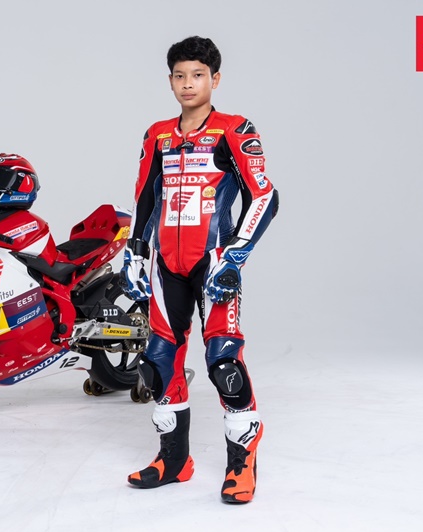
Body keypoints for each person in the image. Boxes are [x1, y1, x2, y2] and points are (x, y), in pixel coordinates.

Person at [122, 36, 279, 504]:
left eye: (197, 75)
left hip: (213, 264)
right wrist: (134, 253)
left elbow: (265, 196)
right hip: (164, 265)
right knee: (158, 361)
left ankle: (242, 462)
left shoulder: (234, 129)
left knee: (223, 362)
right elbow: (145, 197)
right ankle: (174, 461)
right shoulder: (157, 134)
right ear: (169, 80)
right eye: (179, 75)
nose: (188, 84)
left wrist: (235, 256)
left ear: (215, 79)